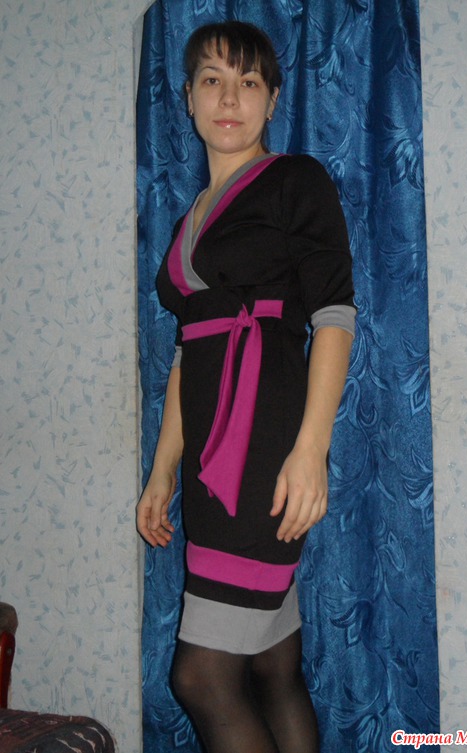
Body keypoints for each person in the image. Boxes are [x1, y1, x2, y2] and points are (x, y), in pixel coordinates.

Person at [136, 20, 355, 753]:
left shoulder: (297, 181)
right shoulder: (189, 217)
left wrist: (310, 452)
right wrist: (163, 469)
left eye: (249, 81)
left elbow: (334, 315)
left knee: (200, 678)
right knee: (271, 667)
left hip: (264, 453)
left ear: (273, 99)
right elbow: (188, 354)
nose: (229, 98)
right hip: (208, 463)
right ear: (188, 97)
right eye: (212, 80)